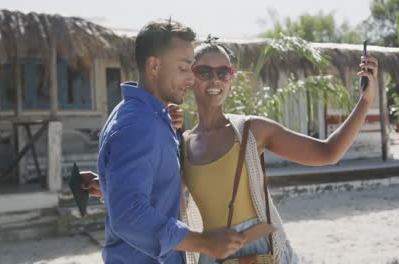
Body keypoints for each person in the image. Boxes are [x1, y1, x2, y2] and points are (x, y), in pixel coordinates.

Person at [179, 36, 378, 263]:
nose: (215, 80)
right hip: (212, 256)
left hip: (261, 253)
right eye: (204, 72)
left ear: (231, 80)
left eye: (223, 72)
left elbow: (328, 153)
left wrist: (365, 101)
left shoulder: (251, 130)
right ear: (190, 78)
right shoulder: (182, 145)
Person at [96, 20, 245, 264]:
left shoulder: (147, 116)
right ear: (154, 66)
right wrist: (205, 242)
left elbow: (149, 185)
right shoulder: (139, 126)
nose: (191, 79)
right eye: (184, 68)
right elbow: (130, 214)